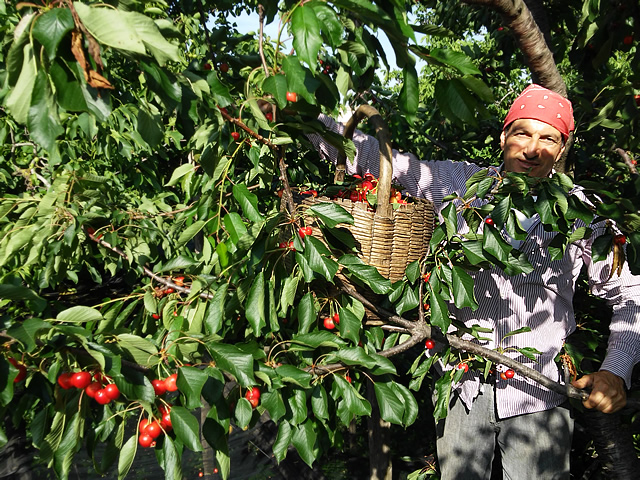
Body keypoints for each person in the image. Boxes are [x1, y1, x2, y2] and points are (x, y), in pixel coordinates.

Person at [308, 84, 640, 479]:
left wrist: (616, 370)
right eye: (522, 133)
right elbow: (381, 160)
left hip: (540, 396)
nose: (533, 149)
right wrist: (305, 122)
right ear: (503, 136)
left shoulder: (584, 214)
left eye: (548, 138)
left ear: (562, 148)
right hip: (461, 387)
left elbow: (632, 294)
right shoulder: (461, 184)